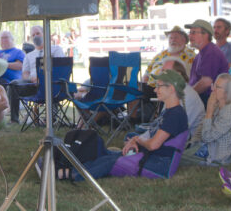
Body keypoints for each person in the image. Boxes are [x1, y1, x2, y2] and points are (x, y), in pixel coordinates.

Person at [53, 68, 189, 181]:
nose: (155, 90)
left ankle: (67, 175)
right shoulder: (169, 111)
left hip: (157, 165)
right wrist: (135, 140)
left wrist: (138, 140)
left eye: (159, 86)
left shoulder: (175, 115)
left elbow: (153, 145)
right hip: (150, 157)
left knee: (112, 162)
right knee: (108, 156)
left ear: (171, 89)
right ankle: (67, 167)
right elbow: (151, 138)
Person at [186, 73, 231, 165]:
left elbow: (207, 137)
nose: (213, 89)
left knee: (174, 156)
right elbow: (201, 129)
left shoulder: (230, 111)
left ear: (227, 92)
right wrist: (193, 142)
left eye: (218, 87)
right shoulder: (218, 107)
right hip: (205, 148)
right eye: (214, 85)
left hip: (215, 157)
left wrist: (209, 111)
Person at [12, 25, 65, 100]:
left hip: (53, 84)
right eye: (33, 35)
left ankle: (52, 106)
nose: (35, 36)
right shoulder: (29, 56)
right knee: (13, 84)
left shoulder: (56, 49)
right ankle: (14, 111)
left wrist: (42, 79)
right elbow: (25, 73)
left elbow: (61, 68)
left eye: (38, 33)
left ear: (44, 34)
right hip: (33, 86)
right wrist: (32, 79)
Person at [185, 19, 229, 105]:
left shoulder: (211, 52)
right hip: (201, 97)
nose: (189, 36)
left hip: (209, 99)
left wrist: (188, 96)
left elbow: (206, 83)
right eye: (189, 32)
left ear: (205, 35)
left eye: (193, 32)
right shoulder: (201, 54)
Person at [0, 30, 26, 124]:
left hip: (11, 81)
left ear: (12, 39)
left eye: (6, 37)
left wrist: (4, 64)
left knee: (1, 83)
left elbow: (20, 65)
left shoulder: (18, 52)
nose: (4, 40)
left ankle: (13, 119)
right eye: (2, 38)